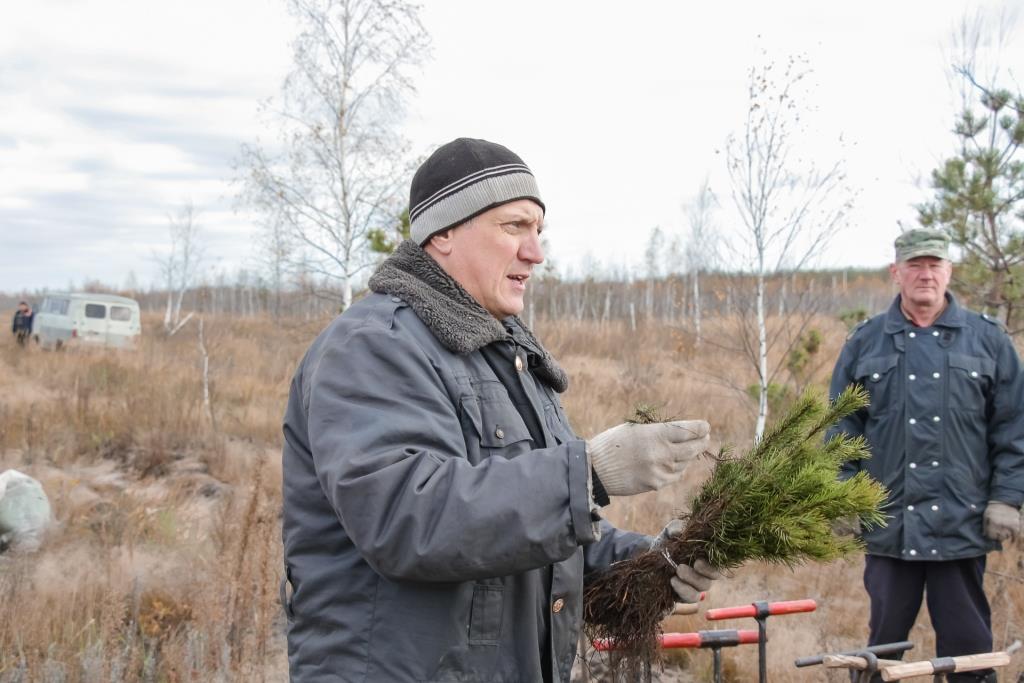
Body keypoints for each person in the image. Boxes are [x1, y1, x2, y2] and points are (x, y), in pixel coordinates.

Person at [281, 137, 718, 682]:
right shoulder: (374, 346)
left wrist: (646, 565)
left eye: (539, 232)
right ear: (442, 232)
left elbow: (526, 539)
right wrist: (587, 475)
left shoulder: (508, 357)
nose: (535, 252)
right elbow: (406, 516)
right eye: (514, 227)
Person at [828, 228, 1023, 683]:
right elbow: (841, 428)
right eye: (915, 265)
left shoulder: (988, 340)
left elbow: (1013, 427)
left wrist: (1007, 498)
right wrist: (842, 494)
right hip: (887, 523)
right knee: (881, 652)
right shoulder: (865, 342)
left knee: (969, 652)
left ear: (949, 271)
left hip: (961, 523)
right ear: (896, 272)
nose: (925, 275)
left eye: (934, 265)